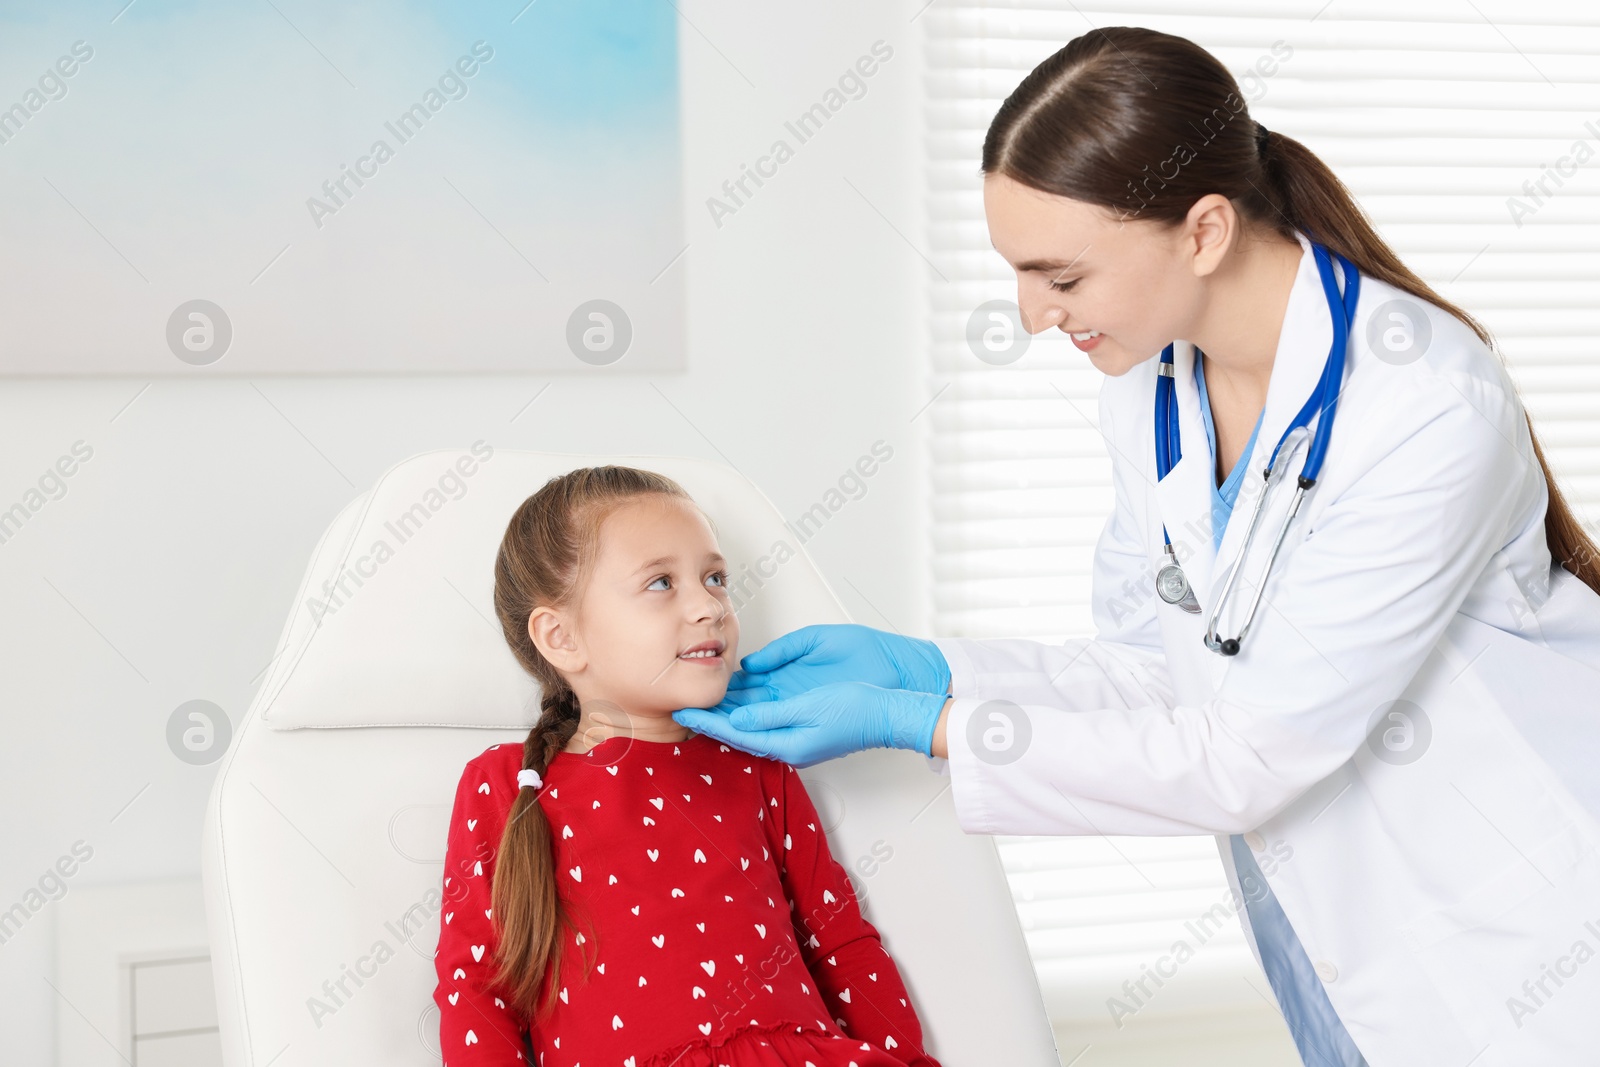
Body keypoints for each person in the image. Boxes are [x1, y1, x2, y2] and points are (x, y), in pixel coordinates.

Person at [673, 26, 1600, 1067]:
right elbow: (1165, 675)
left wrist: (926, 720)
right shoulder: (1153, 386)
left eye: (1059, 276)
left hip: (1528, 945)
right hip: (1331, 932)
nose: (1030, 314)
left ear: (1202, 231)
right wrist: (940, 667)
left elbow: (1250, 750)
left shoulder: (1424, 402)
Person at [432, 466, 941, 1067]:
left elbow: (840, 942)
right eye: (660, 584)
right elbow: (475, 986)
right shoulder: (506, 785)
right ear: (562, 637)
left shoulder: (759, 764)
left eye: (716, 577)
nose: (709, 606)